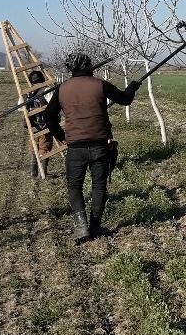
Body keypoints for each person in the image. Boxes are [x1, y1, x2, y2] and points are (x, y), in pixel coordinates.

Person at [42, 52, 140, 241]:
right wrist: (132, 87)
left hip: (75, 148)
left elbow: (48, 117)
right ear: (87, 66)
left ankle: (81, 228)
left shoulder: (62, 89)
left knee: (74, 187)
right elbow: (125, 99)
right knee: (99, 186)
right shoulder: (100, 84)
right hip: (100, 145)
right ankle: (95, 226)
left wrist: (62, 137)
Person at [25, 70, 54, 178]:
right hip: (45, 124)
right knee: (45, 147)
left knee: (34, 147)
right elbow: (53, 104)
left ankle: (33, 172)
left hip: (33, 125)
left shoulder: (28, 92)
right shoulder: (46, 90)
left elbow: (20, 106)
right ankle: (43, 173)